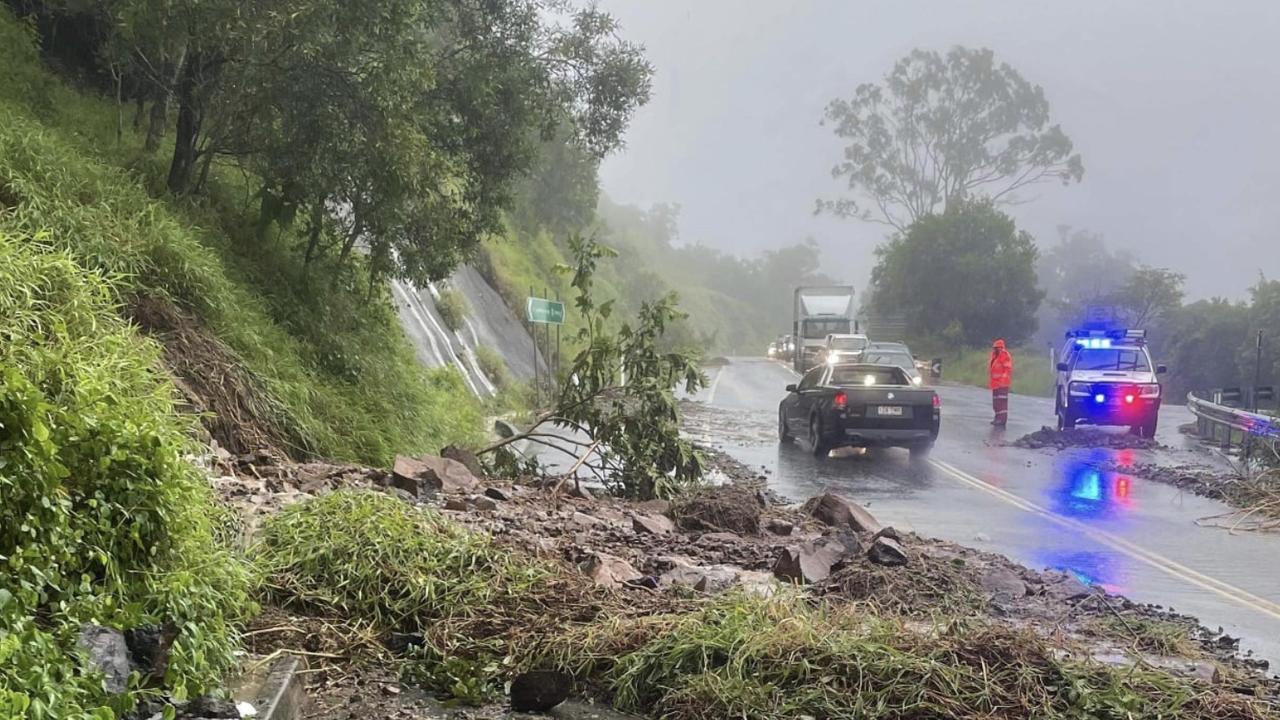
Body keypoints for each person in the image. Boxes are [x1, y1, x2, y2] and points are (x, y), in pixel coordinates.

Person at [989, 339, 1013, 427]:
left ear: (1000, 348)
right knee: (996, 403)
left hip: (1002, 384)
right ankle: (997, 418)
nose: (994, 350)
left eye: (996, 348)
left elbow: (1007, 369)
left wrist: (1002, 379)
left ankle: (1002, 420)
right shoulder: (995, 356)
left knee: (1002, 403)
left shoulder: (1004, 355)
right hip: (995, 384)